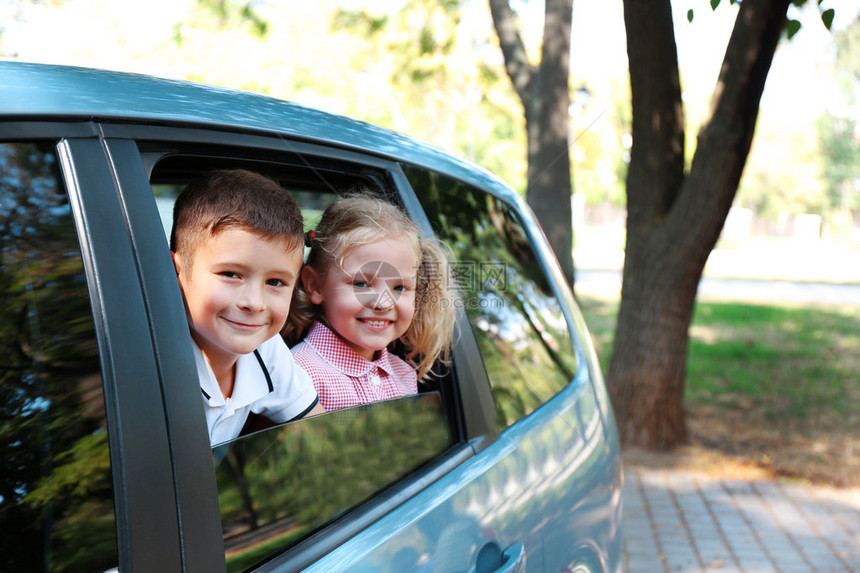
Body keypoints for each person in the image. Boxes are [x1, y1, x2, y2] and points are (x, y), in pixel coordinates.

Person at [170, 169, 325, 446]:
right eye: (230, 274)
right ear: (177, 271)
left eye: (275, 281)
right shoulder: (153, 363)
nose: (254, 303)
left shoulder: (266, 349)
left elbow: (320, 437)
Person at [285, 194, 456, 412]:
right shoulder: (298, 375)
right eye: (362, 284)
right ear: (316, 285)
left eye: (400, 288)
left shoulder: (404, 375)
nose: (384, 304)